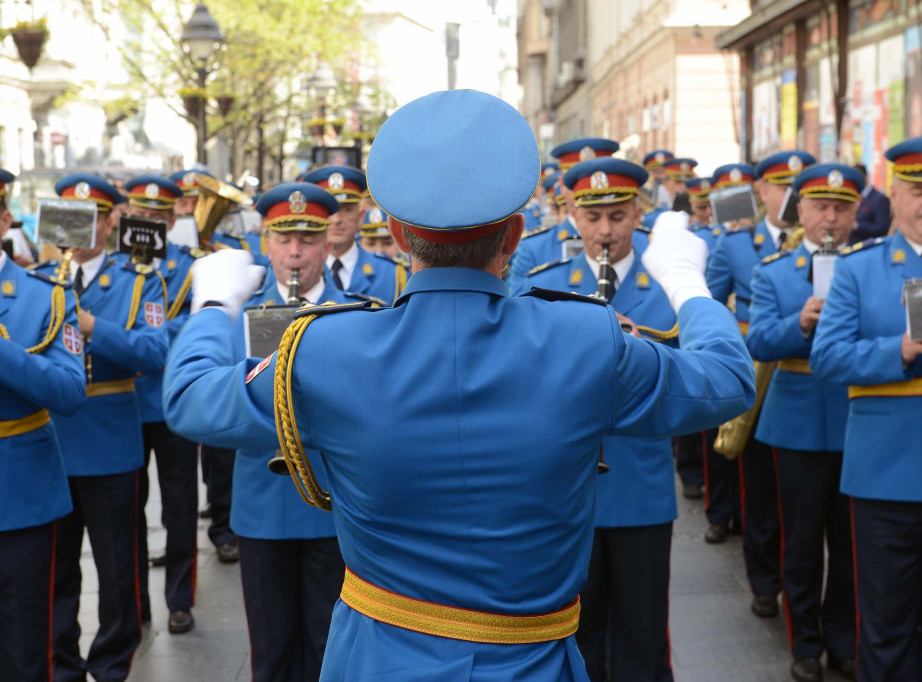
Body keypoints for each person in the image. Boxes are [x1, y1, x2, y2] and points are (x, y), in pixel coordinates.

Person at [161, 89, 754, 681]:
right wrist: (686, 284)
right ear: (515, 235)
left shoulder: (325, 350)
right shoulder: (583, 340)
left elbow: (190, 400)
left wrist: (213, 305)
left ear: (396, 233)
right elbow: (727, 379)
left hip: (379, 661)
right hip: (534, 663)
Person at [524, 157, 680, 681]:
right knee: (573, 637)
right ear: (571, 213)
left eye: (618, 215)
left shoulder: (669, 284)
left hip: (640, 484)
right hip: (567, 493)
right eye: (593, 219)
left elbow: (697, 376)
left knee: (642, 636)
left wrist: (644, 354)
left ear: (639, 212)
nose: (606, 230)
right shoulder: (543, 287)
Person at [230, 182, 371, 681]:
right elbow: (219, 407)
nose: (295, 252)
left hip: (332, 503)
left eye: (308, 241)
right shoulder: (237, 310)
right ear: (266, 242)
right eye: (283, 240)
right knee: (270, 650)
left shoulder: (358, 313)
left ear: (327, 242)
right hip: (263, 503)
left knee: (329, 645)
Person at [36, 174, 168, 682]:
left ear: (111, 221)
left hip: (110, 441)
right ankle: (61, 662)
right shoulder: (42, 276)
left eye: (91, 216)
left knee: (117, 570)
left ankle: (112, 663)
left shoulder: (139, 280)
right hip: (54, 443)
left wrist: (94, 327)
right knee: (55, 567)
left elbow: (155, 353)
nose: (80, 227)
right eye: (69, 216)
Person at [811, 138, 922, 682]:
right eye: (917, 190)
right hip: (887, 476)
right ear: (895, 196)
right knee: (887, 623)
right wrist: (897, 353)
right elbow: (827, 356)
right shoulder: (861, 268)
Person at [749, 164, 862, 682]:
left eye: (841, 207)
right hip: (795, 418)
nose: (830, 218)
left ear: (855, 213)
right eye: (820, 207)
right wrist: (801, 323)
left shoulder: (867, 266)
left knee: (850, 542)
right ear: (800, 211)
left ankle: (842, 639)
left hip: (855, 415)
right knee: (800, 540)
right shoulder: (773, 271)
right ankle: (805, 643)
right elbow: (758, 341)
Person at [706, 152, 814, 607]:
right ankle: (765, 583)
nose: (786, 197)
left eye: (796, 189)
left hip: (803, 371)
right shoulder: (734, 243)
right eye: (778, 187)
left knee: (804, 494)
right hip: (753, 364)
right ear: (762, 192)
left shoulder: (826, 246)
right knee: (759, 483)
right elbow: (709, 308)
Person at [0, 167, 85, 682]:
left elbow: (69, 393)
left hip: (21, 499)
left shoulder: (43, 295)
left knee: (25, 652)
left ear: (4, 218)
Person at [124, 174, 203, 634]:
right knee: (126, 514)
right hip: (124, 407)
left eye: (159, 214)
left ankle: (180, 598)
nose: (149, 220)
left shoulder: (190, 268)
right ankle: (136, 600)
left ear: (173, 217)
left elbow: (196, 327)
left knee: (180, 507)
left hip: (173, 401)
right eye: (142, 213)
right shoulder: (115, 266)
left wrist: (140, 341)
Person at [505, 137, 620, 294]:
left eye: (597, 177)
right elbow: (518, 311)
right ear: (561, 183)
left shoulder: (647, 247)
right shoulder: (534, 248)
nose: (589, 186)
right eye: (576, 178)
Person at [301, 165, 407, 303]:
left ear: (361, 216)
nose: (337, 219)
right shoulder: (297, 271)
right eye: (330, 211)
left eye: (346, 210)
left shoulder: (392, 275)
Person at [849, 163, 891, 244]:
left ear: (866, 177)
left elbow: (882, 227)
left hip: (868, 247)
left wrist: (857, 226)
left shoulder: (879, 199)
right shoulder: (853, 197)